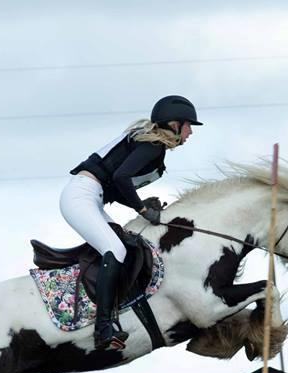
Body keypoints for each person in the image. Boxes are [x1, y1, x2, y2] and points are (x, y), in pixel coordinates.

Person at [60, 95, 202, 351]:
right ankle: (103, 328)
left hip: (91, 196)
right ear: (173, 124)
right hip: (81, 195)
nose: (191, 131)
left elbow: (116, 185)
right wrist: (141, 208)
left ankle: (103, 311)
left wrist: (141, 204)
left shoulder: (148, 144)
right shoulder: (153, 146)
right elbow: (122, 177)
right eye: (188, 125)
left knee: (123, 247)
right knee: (116, 250)